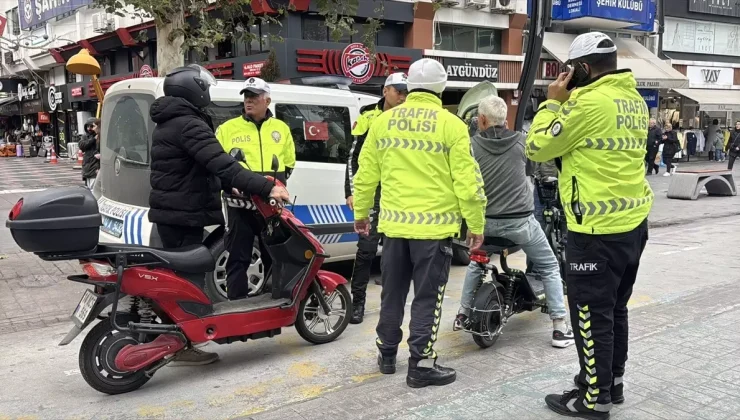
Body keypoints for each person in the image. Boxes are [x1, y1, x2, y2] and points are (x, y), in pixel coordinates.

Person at [526, 32, 653, 419]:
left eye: (570, 69)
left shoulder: (588, 103)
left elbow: (536, 147)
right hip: (632, 223)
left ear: (582, 68)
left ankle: (593, 400)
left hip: (595, 229)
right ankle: (609, 385)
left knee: (589, 313)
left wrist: (551, 103)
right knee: (615, 309)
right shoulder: (632, 99)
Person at [352, 58, 487, 388]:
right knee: (427, 298)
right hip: (434, 232)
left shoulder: (383, 122)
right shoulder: (451, 125)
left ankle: (386, 355)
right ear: (441, 88)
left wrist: (361, 215)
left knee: (392, 295)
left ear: (409, 85)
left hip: (394, 229)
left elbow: (365, 173)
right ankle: (421, 364)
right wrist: (476, 223)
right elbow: (468, 182)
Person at [149, 65, 290, 366]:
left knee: (182, 279)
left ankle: (175, 340)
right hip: (184, 212)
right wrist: (266, 188)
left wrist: (232, 185)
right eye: (205, 89)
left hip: (177, 210)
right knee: (187, 283)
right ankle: (179, 344)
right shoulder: (188, 124)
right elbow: (223, 164)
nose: (208, 95)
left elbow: (205, 166)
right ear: (194, 90)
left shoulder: (171, 121)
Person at [453, 95, 574, 349]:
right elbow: (532, 169)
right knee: (549, 265)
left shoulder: (470, 145)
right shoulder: (522, 141)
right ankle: (559, 328)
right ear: (505, 120)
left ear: (482, 120)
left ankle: (463, 313)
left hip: (484, 225)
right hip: (520, 225)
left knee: (477, 262)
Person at [216, 77, 295, 300]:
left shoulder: (281, 128)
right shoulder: (228, 128)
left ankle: (275, 300)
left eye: (253, 97)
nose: (248, 101)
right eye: (246, 97)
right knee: (237, 256)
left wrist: (278, 183)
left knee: (276, 253)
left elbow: (288, 163)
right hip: (240, 205)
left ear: (267, 100)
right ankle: (236, 305)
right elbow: (218, 165)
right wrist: (231, 185)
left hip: (270, 206)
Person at [345, 72, 408, 324]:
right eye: (398, 91)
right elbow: (352, 156)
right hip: (373, 192)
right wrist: (351, 191)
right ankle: (357, 303)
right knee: (366, 250)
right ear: (386, 91)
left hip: (400, 192)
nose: (403, 96)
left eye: (406, 91)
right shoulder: (368, 115)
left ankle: (392, 305)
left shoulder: (409, 116)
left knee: (398, 252)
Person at [79, 118, 100, 189]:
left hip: (95, 167)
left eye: (92, 126)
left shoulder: (100, 137)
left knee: (94, 189)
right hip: (87, 168)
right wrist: (93, 139)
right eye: (87, 127)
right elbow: (81, 145)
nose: (89, 129)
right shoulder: (85, 136)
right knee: (89, 188)